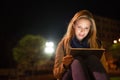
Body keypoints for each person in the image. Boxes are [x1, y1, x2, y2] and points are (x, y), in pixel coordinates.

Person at [53, 10, 110, 80]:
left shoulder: (96, 44)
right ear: (73, 25)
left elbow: (104, 69)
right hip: (70, 76)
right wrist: (64, 65)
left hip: (90, 76)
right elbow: (56, 75)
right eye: (79, 27)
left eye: (86, 28)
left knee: (93, 58)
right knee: (76, 60)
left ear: (90, 29)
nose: (82, 31)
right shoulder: (63, 44)